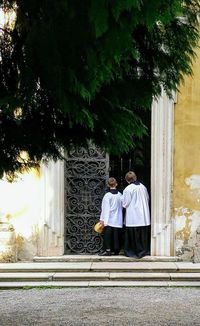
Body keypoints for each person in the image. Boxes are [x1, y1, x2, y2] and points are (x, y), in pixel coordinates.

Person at [123, 171, 150, 258]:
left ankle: (132, 252)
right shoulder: (143, 187)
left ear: (127, 180)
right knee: (142, 235)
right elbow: (147, 199)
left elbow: (125, 203)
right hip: (144, 216)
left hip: (133, 216)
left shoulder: (128, 189)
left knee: (133, 235)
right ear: (135, 177)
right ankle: (143, 251)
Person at [98, 177, 123, 256]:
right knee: (116, 235)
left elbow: (105, 209)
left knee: (108, 235)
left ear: (108, 185)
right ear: (116, 184)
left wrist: (102, 219)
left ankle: (108, 250)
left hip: (109, 219)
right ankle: (116, 250)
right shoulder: (120, 195)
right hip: (118, 218)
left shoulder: (107, 195)